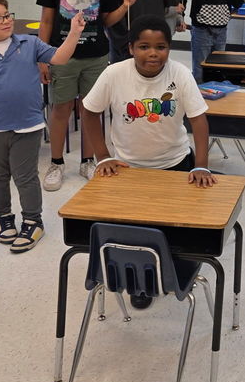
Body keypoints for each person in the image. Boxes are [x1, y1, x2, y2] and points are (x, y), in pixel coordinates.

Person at [81, 15, 214, 308]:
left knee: (174, 229)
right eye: (143, 46)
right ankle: (140, 283)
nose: (152, 53)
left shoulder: (180, 74)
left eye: (161, 47)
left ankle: (173, 271)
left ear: (169, 48)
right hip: (129, 169)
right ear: (131, 49)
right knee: (135, 230)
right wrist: (102, 157)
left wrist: (201, 164)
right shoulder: (114, 74)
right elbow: (89, 111)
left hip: (175, 164)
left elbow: (198, 120)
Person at [0, 0, 86, 253]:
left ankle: (32, 221)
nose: (5, 21)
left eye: (7, 15)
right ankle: (2, 217)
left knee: (25, 177)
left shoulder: (29, 43)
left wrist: (74, 33)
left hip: (28, 125)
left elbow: (59, 58)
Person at [36, 0, 137, 190]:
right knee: (60, 108)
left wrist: (125, 5)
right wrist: (42, 56)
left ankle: (87, 161)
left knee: (91, 110)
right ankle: (56, 163)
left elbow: (107, 21)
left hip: (95, 56)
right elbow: (46, 20)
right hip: (61, 56)